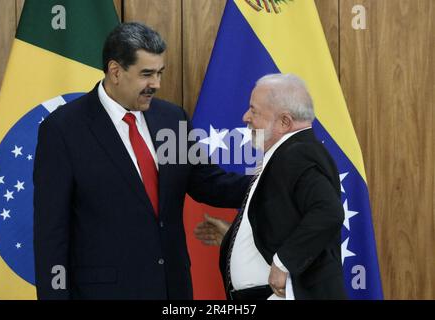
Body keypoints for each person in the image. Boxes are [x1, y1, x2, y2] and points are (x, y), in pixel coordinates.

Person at [33, 22, 249, 300]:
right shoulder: (63, 129)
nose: (156, 85)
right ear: (115, 71)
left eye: (160, 73)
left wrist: (274, 182)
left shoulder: (172, 119)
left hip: (173, 289)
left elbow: (207, 182)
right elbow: (52, 232)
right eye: (146, 74)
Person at [195, 73, 347, 300]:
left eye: (254, 110)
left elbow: (329, 211)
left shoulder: (297, 154)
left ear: (284, 122)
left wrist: (283, 263)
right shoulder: (288, 155)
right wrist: (234, 237)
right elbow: (285, 219)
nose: (245, 116)